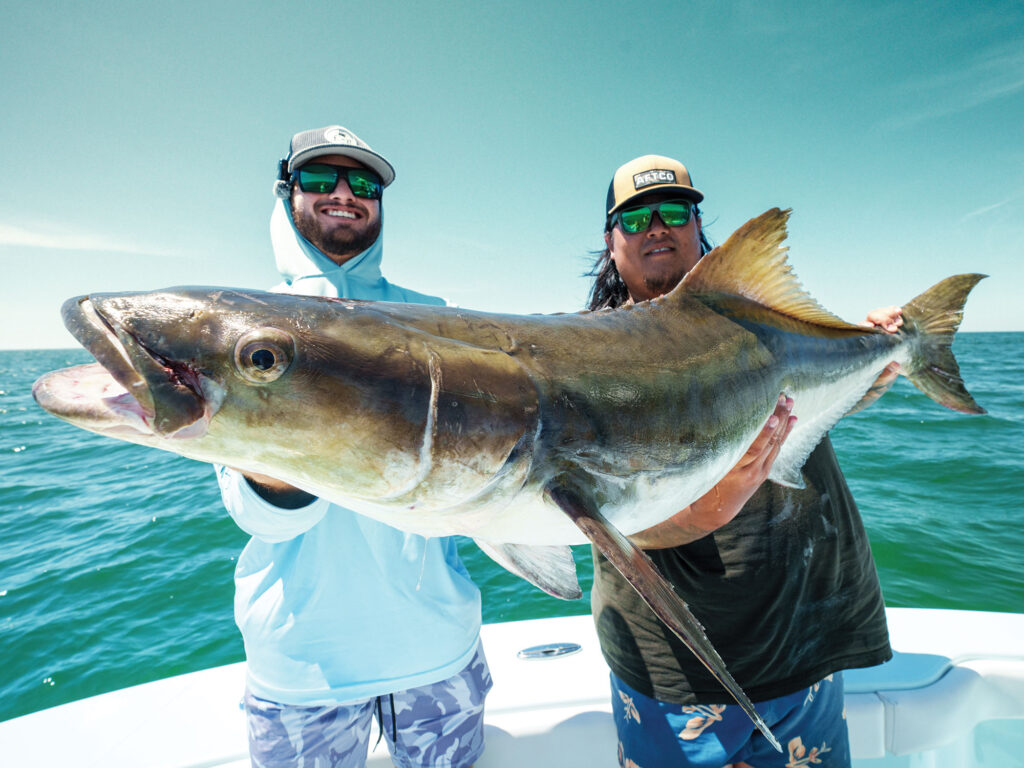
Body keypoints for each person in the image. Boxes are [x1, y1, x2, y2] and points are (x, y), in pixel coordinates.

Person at [587, 155, 899, 768]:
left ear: (698, 227)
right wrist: (725, 490)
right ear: (611, 241)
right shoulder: (585, 352)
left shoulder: (767, 323)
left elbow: (817, 406)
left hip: (803, 646)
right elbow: (620, 520)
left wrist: (878, 360)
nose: (658, 226)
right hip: (671, 669)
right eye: (636, 216)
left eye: (675, 211)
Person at [215, 125, 490, 768]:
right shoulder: (249, 332)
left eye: (362, 183)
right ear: (288, 194)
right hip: (301, 670)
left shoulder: (440, 316)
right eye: (320, 179)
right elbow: (255, 515)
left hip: (438, 653)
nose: (344, 193)